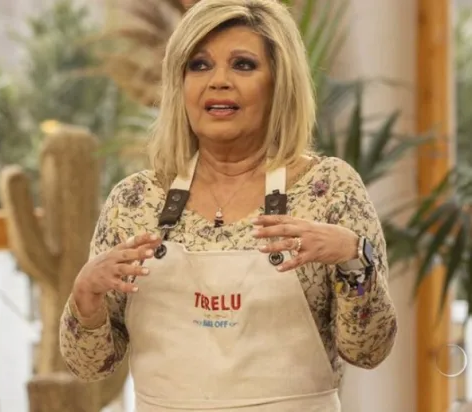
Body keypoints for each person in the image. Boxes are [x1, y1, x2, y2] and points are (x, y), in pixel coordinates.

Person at [59, 0, 398, 410]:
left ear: (279, 82)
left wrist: (352, 258)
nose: (218, 81)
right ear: (180, 84)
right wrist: (86, 293)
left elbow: (369, 350)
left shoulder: (329, 189)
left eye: (243, 65)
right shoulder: (135, 201)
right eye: (200, 65)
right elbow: (90, 365)